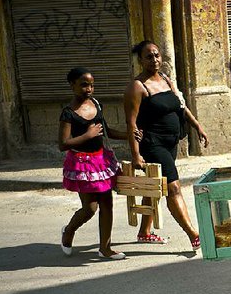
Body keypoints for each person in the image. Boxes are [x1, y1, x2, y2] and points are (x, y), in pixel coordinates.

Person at [125, 40, 208, 250]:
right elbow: (131, 123)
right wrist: (135, 155)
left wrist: (197, 126)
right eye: (149, 56)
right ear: (140, 60)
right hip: (153, 144)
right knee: (173, 187)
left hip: (171, 143)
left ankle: (144, 231)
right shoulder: (137, 86)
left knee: (156, 186)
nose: (154, 60)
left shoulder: (165, 79)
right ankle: (194, 234)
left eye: (156, 55)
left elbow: (181, 106)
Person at [59, 67, 128, 260]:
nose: (89, 89)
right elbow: (63, 144)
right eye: (83, 85)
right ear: (72, 85)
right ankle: (69, 230)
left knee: (107, 203)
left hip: (101, 160)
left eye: (91, 85)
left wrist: (129, 136)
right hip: (82, 163)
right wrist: (87, 135)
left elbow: (106, 131)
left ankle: (105, 248)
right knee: (90, 208)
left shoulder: (96, 104)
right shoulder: (68, 113)